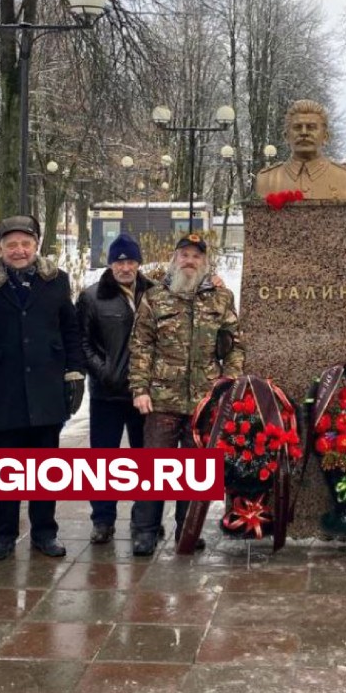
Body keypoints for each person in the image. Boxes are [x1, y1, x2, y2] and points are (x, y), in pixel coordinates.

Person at [0, 215, 86, 562]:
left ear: (36, 245)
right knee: (6, 469)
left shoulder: (56, 281)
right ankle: (2, 535)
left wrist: (75, 371)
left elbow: (70, 330)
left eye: (25, 244)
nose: (19, 251)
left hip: (46, 386)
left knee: (46, 468)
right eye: (11, 244)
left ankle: (45, 532)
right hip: (3, 388)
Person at [129, 234, 245, 556]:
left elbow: (234, 346)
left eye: (196, 256)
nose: (189, 261)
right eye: (184, 255)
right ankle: (145, 531)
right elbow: (141, 346)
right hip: (162, 397)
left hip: (203, 402)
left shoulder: (221, 298)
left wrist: (228, 382)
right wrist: (140, 388)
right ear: (175, 258)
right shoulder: (155, 297)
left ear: (204, 261)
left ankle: (187, 528)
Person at [75, 233, 153, 544]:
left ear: (138, 263)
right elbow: (82, 342)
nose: (125, 266)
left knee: (144, 460)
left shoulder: (153, 294)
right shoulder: (92, 297)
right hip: (107, 392)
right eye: (119, 261)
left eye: (131, 260)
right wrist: (103, 370)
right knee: (104, 461)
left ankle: (143, 518)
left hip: (143, 393)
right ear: (110, 264)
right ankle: (103, 520)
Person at [255, 99, 346, 201]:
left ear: (325, 137)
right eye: (297, 127)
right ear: (286, 136)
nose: (304, 132)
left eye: (311, 127)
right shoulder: (267, 179)